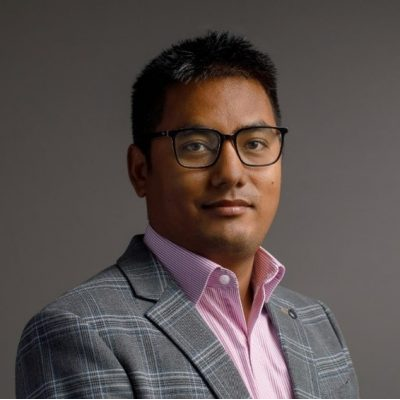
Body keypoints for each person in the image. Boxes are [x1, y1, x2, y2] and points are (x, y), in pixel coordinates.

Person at [15, 31, 359, 399]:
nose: (231, 173)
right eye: (195, 146)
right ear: (140, 171)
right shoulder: (80, 331)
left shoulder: (316, 321)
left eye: (255, 143)